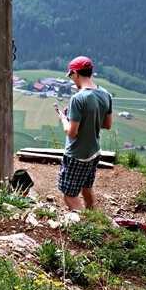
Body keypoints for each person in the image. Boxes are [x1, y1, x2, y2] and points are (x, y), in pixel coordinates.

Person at [57, 56, 112, 211]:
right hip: (94, 151)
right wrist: (78, 118)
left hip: (77, 154)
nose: (72, 79)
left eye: (71, 75)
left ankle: (85, 225)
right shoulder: (105, 94)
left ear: (75, 73)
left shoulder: (77, 98)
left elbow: (72, 132)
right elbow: (107, 124)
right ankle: (93, 217)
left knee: (69, 195)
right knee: (87, 187)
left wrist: (63, 119)